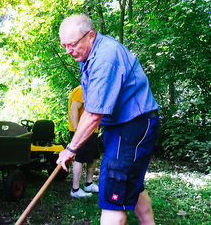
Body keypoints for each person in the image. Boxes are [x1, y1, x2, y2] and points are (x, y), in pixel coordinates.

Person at [56, 14, 160, 225]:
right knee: (131, 185)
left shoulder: (105, 58)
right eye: (64, 45)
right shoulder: (88, 54)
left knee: (114, 191)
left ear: (91, 36)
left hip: (133, 126)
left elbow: (94, 113)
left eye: (72, 44)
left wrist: (71, 149)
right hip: (120, 126)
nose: (68, 51)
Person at [68, 85, 100, 197]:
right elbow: (73, 108)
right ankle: (75, 190)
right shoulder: (81, 90)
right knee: (80, 158)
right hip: (81, 131)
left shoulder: (91, 90)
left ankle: (89, 184)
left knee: (94, 156)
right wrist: (77, 130)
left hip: (91, 130)